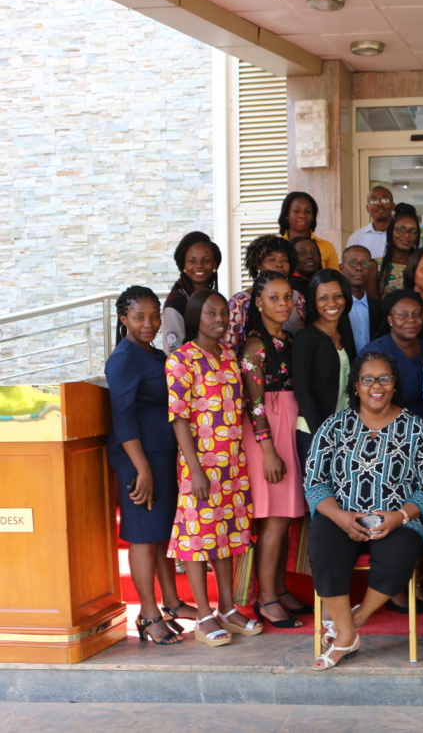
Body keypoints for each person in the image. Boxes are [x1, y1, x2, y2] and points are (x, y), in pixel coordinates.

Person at [304, 352, 423, 670]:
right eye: (368, 379)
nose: (376, 386)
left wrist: (399, 516)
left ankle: (353, 624)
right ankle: (347, 633)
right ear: (356, 385)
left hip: (398, 519)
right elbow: (315, 482)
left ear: (395, 384)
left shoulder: (416, 429)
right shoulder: (334, 426)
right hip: (342, 516)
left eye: (384, 379)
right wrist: (340, 516)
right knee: (323, 544)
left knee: (400, 553)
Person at [166, 289, 262, 646]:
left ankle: (227, 608)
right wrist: (195, 470)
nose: (220, 320)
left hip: (232, 464)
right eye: (211, 313)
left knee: (226, 535)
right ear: (196, 316)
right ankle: (204, 615)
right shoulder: (181, 359)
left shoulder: (229, 357)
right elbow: (178, 418)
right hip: (200, 465)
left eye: (224, 313)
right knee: (197, 537)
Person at [106, 286, 185, 645]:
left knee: (159, 534)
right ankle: (148, 615)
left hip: (159, 453)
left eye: (154, 316)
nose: (149, 323)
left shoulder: (153, 354)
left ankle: (171, 604)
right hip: (138, 457)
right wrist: (143, 470)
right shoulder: (124, 358)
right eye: (139, 317)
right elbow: (123, 419)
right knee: (142, 535)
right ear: (124, 319)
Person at [239, 271, 307, 629]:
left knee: (284, 519)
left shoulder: (289, 340)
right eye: (274, 298)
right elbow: (254, 405)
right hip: (267, 435)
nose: (283, 304)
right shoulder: (255, 346)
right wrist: (267, 450)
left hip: (288, 430)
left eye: (287, 297)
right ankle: (265, 599)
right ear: (259, 302)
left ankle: (278, 589)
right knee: (273, 519)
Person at [292, 269, 356, 465]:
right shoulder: (305, 338)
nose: (332, 303)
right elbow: (302, 391)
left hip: (344, 431)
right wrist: (323, 436)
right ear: (314, 301)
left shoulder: (344, 334)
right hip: (314, 432)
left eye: (338, 296)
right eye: (323, 298)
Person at [360, 289, 423, 427]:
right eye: (403, 315)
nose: (411, 320)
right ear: (390, 319)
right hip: (391, 428)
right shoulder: (375, 353)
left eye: (417, 314)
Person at [225, 235, 306, 353]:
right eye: (271, 260)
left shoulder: (299, 298)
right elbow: (229, 348)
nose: (279, 264)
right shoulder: (239, 302)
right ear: (258, 264)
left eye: (284, 260)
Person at [161, 231, 222, 356]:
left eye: (206, 260)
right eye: (192, 261)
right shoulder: (176, 304)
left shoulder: (215, 299)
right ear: (183, 264)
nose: (199, 266)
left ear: (214, 264)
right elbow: (174, 356)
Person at [279, 191, 338, 270]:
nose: (302, 215)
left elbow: (334, 276)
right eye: (296, 211)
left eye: (307, 211)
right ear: (286, 214)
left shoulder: (327, 247)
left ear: (313, 216)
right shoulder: (277, 246)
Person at [339, 245, 383, 354]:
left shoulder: (380, 308)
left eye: (364, 263)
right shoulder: (334, 307)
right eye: (353, 262)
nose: (359, 268)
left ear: (371, 270)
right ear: (341, 268)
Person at [377, 205, 421, 296]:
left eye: (413, 231)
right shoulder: (376, 266)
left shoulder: (422, 266)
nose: (406, 235)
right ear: (391, 232)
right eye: (401, 229)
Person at [347, 186, 395, 260]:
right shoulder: (357, 237)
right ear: (367, 208)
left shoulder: (402, 234)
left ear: (393, 206)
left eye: (385, 200)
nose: (379, 204)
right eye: (374, 201)